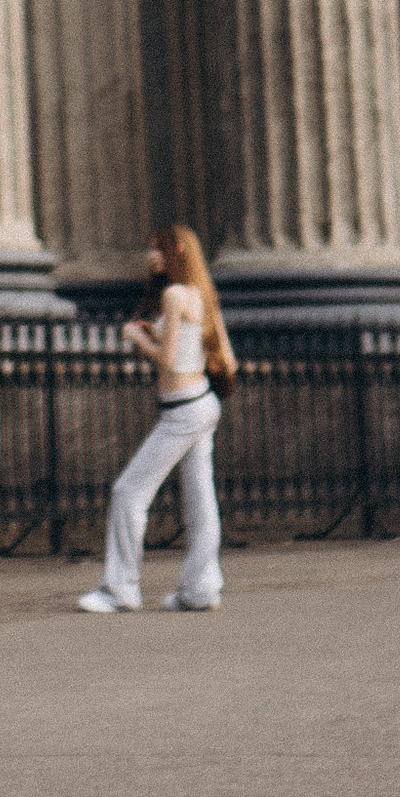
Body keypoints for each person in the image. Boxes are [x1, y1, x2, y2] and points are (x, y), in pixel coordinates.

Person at [77, 224, 234, 616]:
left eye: (156, 249)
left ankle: (120, 589)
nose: (150, 256)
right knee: (200, 500)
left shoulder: (173, 294)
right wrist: (158, 334)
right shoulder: (202, 292)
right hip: (203, 403)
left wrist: (137, 338)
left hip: (183, 410)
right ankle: (200, 589)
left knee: (128, 491)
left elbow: (167, 361)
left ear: (176, 249)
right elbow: (224, 358)